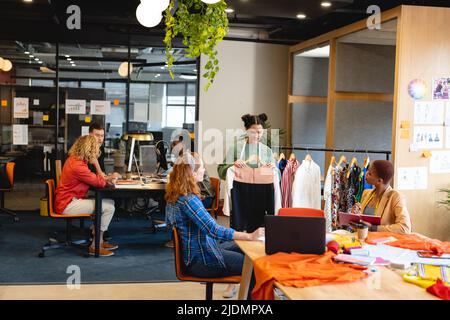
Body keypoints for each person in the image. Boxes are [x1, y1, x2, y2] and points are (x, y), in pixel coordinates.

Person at [166, 152, 264, 298]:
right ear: (192, 174)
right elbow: (214, 230)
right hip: (201, 259)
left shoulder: (175, 195)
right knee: (255, 265)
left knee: (243, 247)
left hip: (199, 251)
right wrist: (249, 235)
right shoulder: (188, 200)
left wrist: (245, 237)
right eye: (201, 169)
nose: (204, 171)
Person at [55, 135, 119, 257]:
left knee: (109, 202)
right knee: (108, 207)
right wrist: (97, 165)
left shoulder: (75, 160)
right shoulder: (78, 166)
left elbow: (97, 180)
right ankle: (95, 245)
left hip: (69, 200)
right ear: (89, 150)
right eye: (95, 150)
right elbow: (100, 182)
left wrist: (106, 178)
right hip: (67, 205)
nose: (96, 153)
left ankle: (99, 240)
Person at [351, 160, 412, 234]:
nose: (366, 174)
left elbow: (404, 228)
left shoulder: (395, 197)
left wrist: (373, 228)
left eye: (370, 173)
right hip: (364, 241)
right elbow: (363, 222)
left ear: (379, 180)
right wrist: (355, 216)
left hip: (383, 243)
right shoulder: (366, 193)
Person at [217, 113, 275, 181]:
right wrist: (233, 165)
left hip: (260, 188)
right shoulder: (235, 148)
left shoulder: (267, 151)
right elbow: (221, 171)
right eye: (253, 132)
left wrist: (272, 169)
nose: (257, 135)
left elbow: (277, 177)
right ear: (246, 130)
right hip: (239, 189)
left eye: (260, 132)